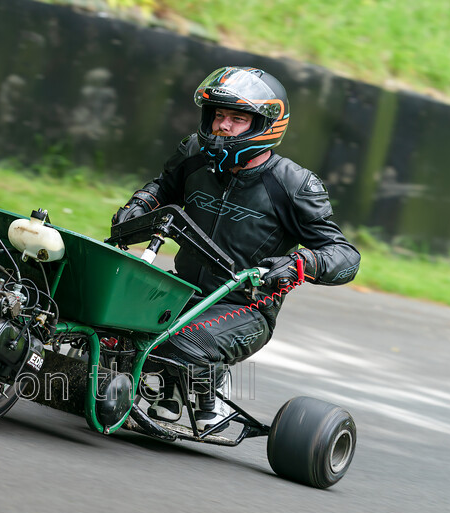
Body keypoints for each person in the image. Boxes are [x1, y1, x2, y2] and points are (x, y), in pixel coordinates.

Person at [112, 66, 361, 431]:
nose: (222, 126)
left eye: (237, 119)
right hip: (182, 291)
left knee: (177, 341)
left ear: (264, 124)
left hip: (246, 307)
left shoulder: (293, 184)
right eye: (219, 116)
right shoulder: (194, 153)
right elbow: (163, 187)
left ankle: (205, 397)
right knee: (109, 322)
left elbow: (345, 257)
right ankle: (156, 389)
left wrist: (300, 262)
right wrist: (141, 204)